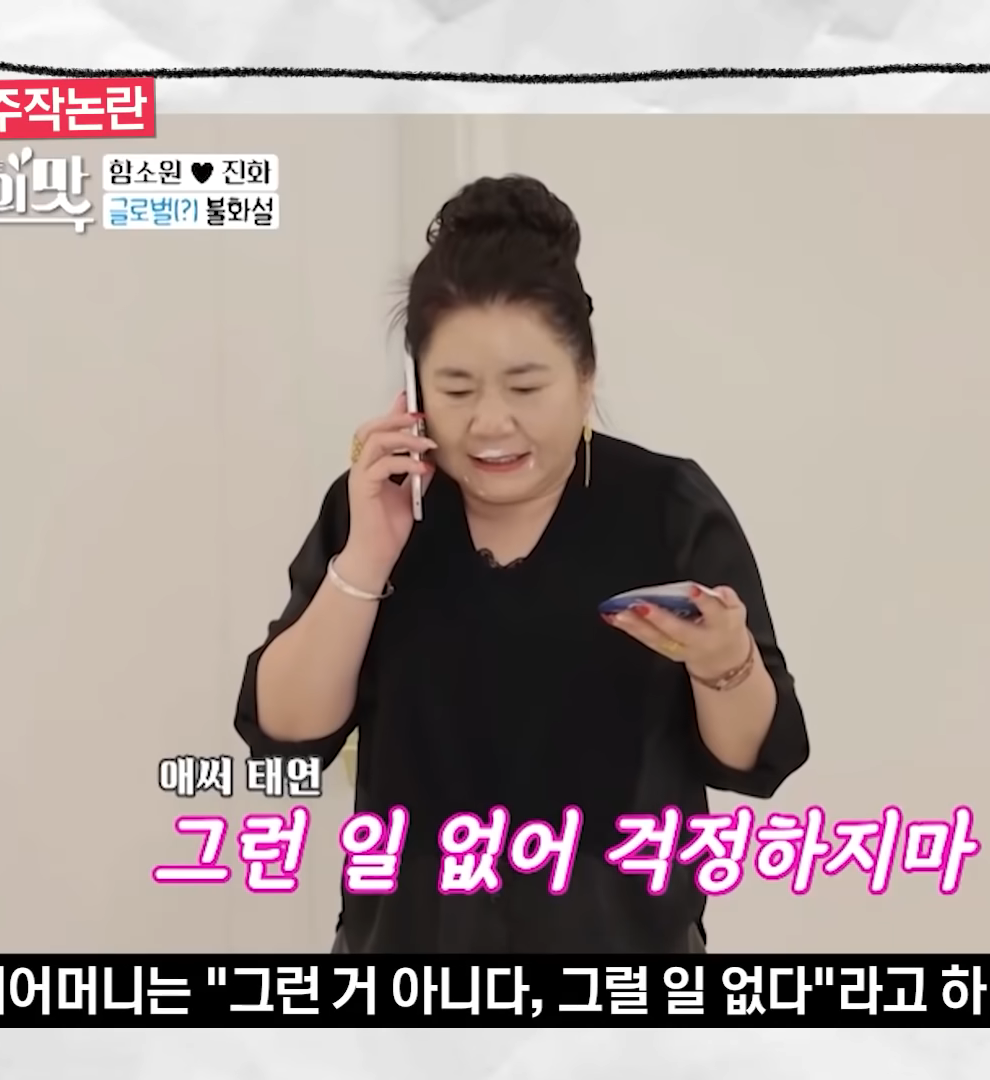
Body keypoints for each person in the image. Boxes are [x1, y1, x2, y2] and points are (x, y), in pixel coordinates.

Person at [233, 174, 809, 953]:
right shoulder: (380, 503)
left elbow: (752, 760)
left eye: (526, 386)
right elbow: (283, 733)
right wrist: (367, 555)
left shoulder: (666, 505)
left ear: (585, 377)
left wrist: (722, 663)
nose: (490, 422)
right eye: (456, 389)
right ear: (414, 391)